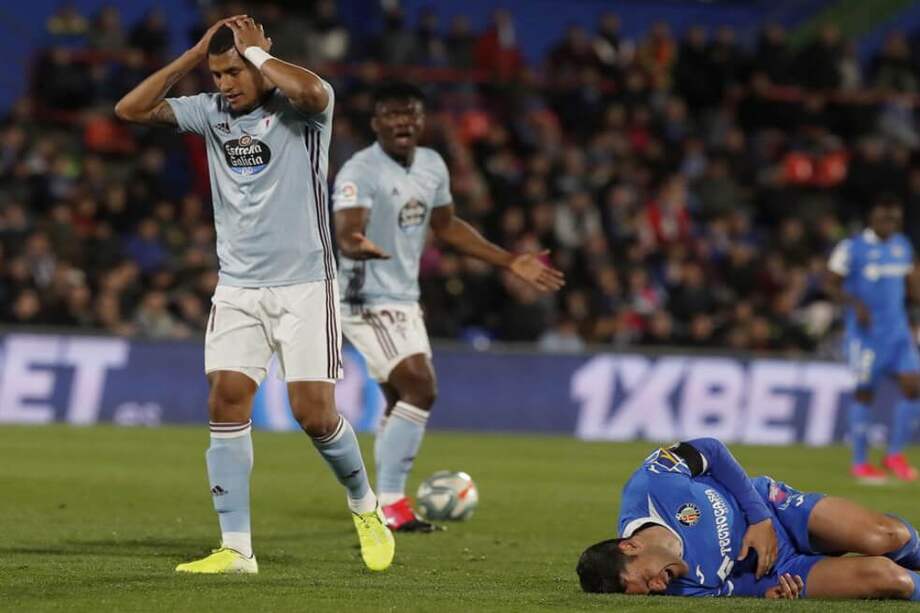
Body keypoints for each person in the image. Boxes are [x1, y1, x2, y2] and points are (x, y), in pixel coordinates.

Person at [114, 16, 394, 573]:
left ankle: (365, 506)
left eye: (233, 71)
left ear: (260, 62)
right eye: (217, 74)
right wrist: (193, 56)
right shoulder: (210, 113)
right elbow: (131, 110)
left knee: (313, 415)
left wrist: (261, 56)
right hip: (239, 285)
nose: (224, 84)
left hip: (305, 285)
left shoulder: (303, 111)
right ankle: (237, 549)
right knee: (225, 397)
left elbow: (315, 90)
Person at [332, 82, 565, 531]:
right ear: (376, 123)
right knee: (421, 387)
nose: (403, 122)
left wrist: (509, 260)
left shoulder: (432, 165)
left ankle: (379, 501)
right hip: (362, 297)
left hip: (403, 298)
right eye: (392, 114)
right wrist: (356, 244)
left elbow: (447, 226)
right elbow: (347, 228)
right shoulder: (359, 171)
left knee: (400, 398)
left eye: (411, 114)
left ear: (422, 121)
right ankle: (392, 507)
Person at [577, 438, 920, 599]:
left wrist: (759, 520)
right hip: (782, 571)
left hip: (775, 511)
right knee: (890, 578)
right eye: (648, 593)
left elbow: (711, 450)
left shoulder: (650, 485)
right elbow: (733, 588)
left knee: (885, 536)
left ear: (631, 545)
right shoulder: (681, 589)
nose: (658, 587)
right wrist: (771, 594)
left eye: (646, 579)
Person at [827, 194, 920, 483]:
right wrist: (855, 304)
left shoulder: (901, 245)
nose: (890, 223)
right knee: (865, 393)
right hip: (866, 336)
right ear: (872, 218)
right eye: (884, 218)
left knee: (913, 386)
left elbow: (912, 283)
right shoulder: (851, 248)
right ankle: (860, 462)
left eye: (894, 219)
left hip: (899, 332)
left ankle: (894, 455)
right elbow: (830, 283)